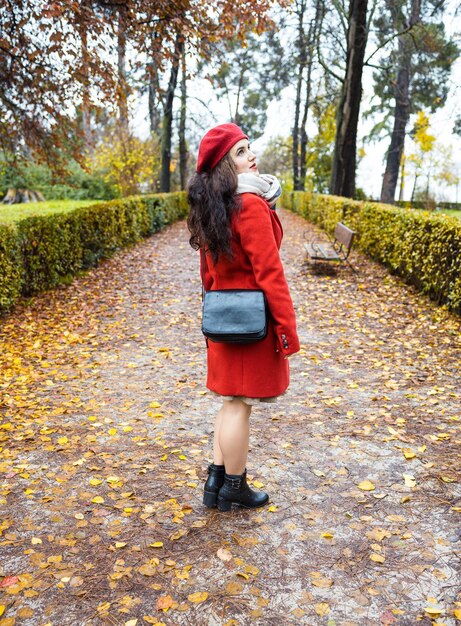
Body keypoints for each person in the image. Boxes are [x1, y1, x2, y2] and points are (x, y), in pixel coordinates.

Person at [187, 123, 300, 512]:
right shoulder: (249, 204)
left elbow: (206, 276)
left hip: (222, 319)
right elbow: (271, 273)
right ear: (223, 166)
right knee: (239, 406)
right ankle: (234, 487)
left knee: (229, 402)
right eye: (240, 152)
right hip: (252, 324)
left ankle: (215, 481)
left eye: (249, 148)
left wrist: (209, 324)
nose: (251, 156)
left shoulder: (213, 208)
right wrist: (287, 330)